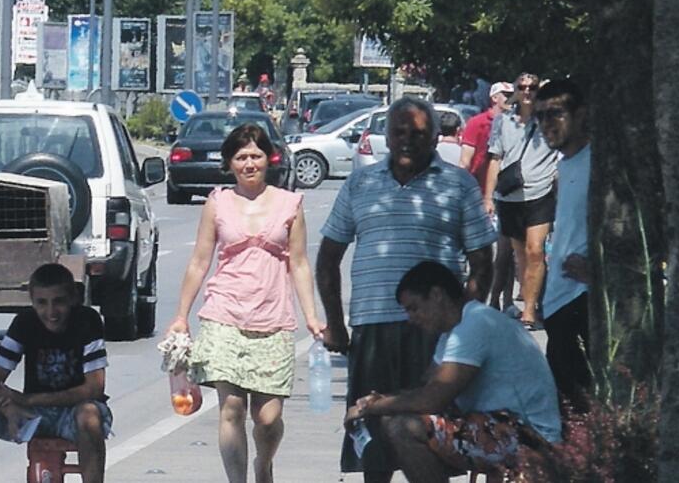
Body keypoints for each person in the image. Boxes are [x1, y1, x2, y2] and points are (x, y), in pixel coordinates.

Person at [316, 96, 496, 483]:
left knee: (430, 439)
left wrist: (461, 325)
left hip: (433, 335)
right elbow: (328, 257)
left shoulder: (458, 184)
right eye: (399, 132)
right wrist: (336, 324)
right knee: (373, 442)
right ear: (386, 135)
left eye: (418, 133)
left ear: (435, 137)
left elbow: (483, 260)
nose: (407, 140)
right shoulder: (361, 182)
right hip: (372, 330)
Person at [167, 123, 325, 483]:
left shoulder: (290, 204)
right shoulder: (218, 202)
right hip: (224, 314)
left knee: (267, 419)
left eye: (255, 155)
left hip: (274, 320)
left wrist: (312, 316)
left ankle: (263, 465)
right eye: (240, 157)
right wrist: (181, 315)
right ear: (230, 163)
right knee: (232, 408)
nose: (249, 163)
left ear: (268, 158)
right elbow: (199, 262)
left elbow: (299, 263)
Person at [344, 262, 562, 483]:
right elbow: (423, 389)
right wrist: (380, 402)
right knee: (393, 418)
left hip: (528, 437)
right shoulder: (453, 332)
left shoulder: (475, 324)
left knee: (403, 427)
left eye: (414, 308)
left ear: (437, 294)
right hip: (500, 427)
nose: (411, 318)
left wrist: (368, 407)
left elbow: (433, 399)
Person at [0, 263, 111, 483]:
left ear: (72, 298)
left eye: (58, 301)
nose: (50, 312)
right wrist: (10, 408)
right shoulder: (24, 323)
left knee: (89, 415)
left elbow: (95, 388)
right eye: (42, 303)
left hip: (73, 412)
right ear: (32, 300)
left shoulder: (87, 321)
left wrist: (29, 399)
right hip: (31, 412)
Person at [484, 73, 558, 328]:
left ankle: (529, 310)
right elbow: (495, 159)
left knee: (535, 250)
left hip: (541, 192)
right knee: (521, 255)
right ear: (515, 90)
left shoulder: (549, 120)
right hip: (511, 196)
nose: (527, 92)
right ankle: (527, 301)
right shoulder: (503, 122)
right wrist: (488, 197)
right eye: (522, 87)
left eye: (532, 87)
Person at [535, 79, 592, 410]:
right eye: (540, 116)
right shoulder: (563, 165)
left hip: (581, 300)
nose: (546, 124)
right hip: (558, 301)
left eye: (555, 114)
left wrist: (600, 273)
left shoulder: (597, 163)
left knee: (583, 406)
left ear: (580, 114)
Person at [461, 81, 517, 311]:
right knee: (481, 252)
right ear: (494, 97)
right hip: (478, 196)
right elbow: (465, 160)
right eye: (506, 95)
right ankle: (479, 301)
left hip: (506, 194)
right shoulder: (477, 123)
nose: (510, 99)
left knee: (508, 251)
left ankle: (506, 301)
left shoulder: (517, 124)